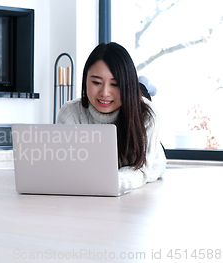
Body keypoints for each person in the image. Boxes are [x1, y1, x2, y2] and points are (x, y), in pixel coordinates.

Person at [57, 42, 166, 189]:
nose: (105, 92)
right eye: (96, 82)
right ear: (85, 80)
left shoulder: (148, 115)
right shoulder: (69, 113)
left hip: (135, 113)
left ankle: (143, 85)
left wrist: (97, 182)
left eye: (115, 84)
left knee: (140, 96)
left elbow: (139, 171)